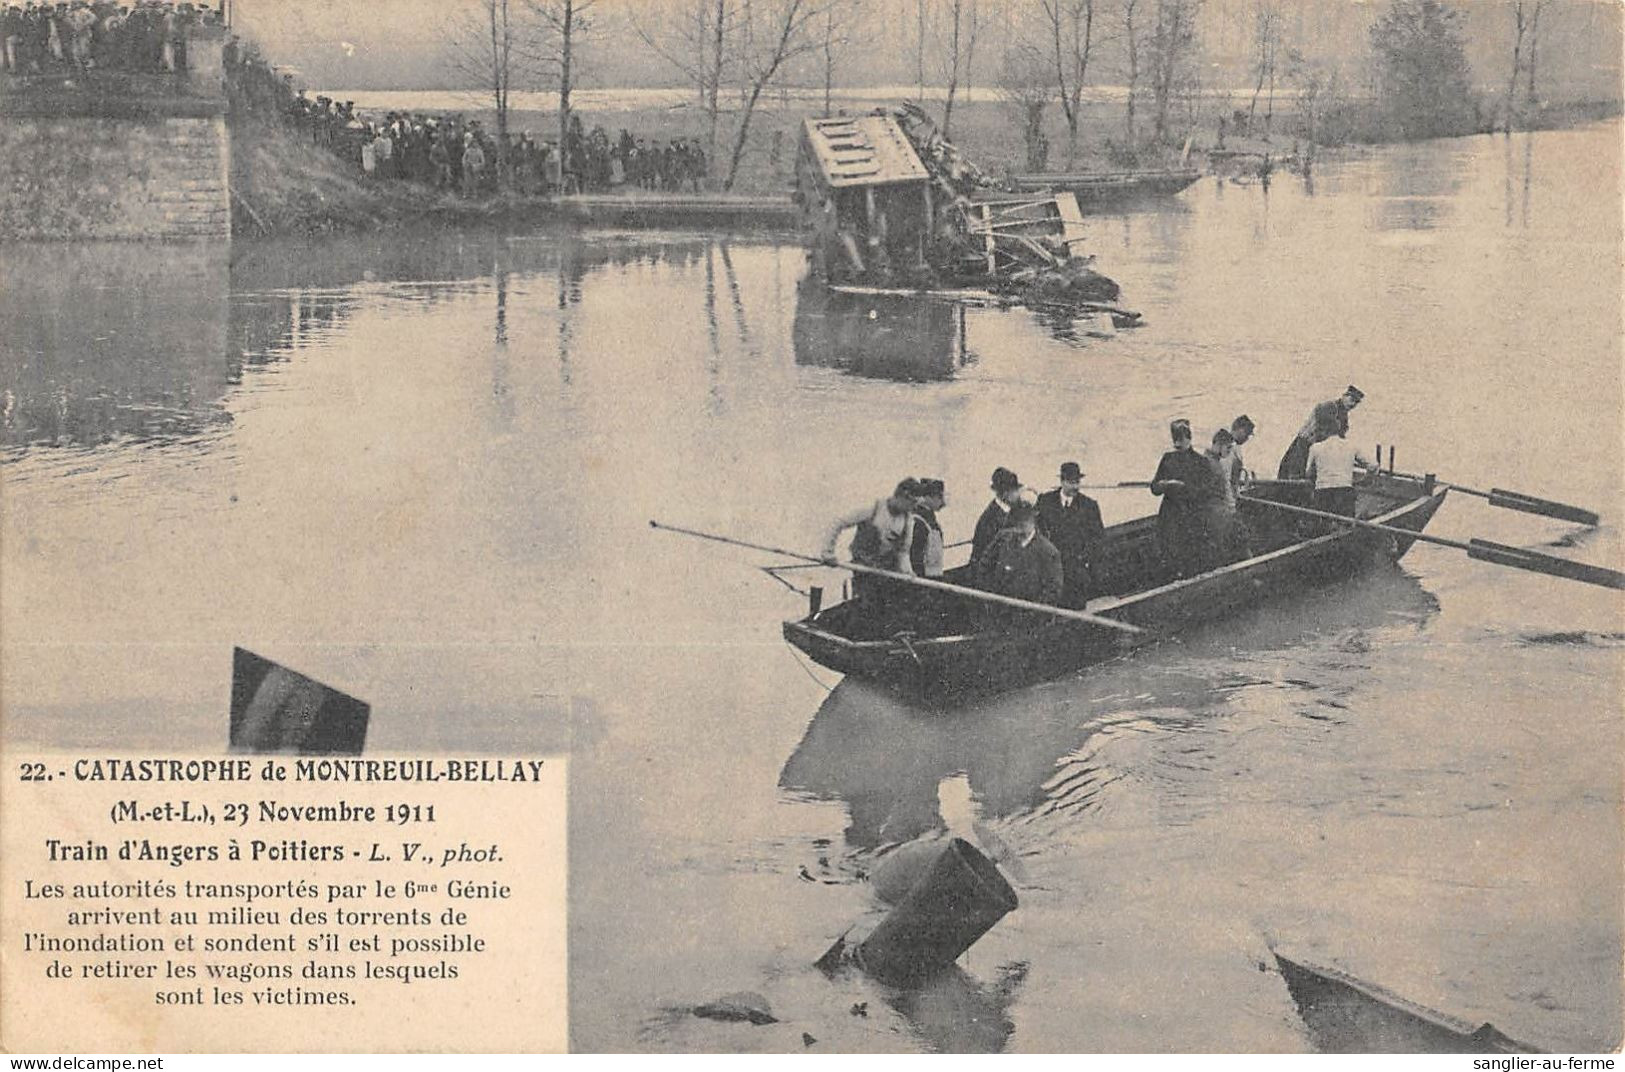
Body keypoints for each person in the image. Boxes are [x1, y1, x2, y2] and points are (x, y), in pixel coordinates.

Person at [820, 479, 921, 604]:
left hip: (886, 572)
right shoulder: (873, 508)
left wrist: (908, 573)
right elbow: (838, 523)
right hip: (863, 570)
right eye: (913, 502)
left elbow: (903, 552)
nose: (913, 507)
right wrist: (828, 553)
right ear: (902, 496)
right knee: (865, 606)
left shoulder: (908, 520)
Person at [1150, 418, 1221, 579]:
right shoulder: (1167, 459)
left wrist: (1184, 487)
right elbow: (1154, 488)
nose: (1179, 443)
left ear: (1189, 438)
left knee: (1192, 554)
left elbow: (1207, 491)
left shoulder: (1201, 462)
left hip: (1192, 515)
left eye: (1182, 439)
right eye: (1176, 439)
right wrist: (1163, 485)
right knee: (1170, 551)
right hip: (1171, 515)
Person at [977, 502, 1064, 621]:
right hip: (1001, 614)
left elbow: (1053, 591)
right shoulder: (1002, 539)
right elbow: (984, 567)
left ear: (1032, 521)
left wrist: (1029, 615)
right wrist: (991, 600)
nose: (1018, 528)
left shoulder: (1048, 552)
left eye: (1023, 522)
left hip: (1032, 621)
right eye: (1016, 523)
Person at [1035, 461, 1105, 608]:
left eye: (1077, 482)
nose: (1075, 487)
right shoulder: (1045, 502)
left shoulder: (1089, 506)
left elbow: (1098, 539)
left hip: (1077, 570)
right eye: (1070, 482)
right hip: (1052, 571)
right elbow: (1035, 531)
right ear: (1062, 481)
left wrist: (1085, 560)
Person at [1278, 386, 1363, 480]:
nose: (1353, 404)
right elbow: (1324, 433)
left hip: (1317, 449)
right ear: (1344, 396)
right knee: (1296, 475)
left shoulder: (1344, 416)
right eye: (1352, 399)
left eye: (1356, 402)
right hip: (1304, 446)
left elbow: (1339, 438)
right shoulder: (1328, 407)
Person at [1307, 424, 1375, 522]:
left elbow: (1308, 473)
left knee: (1323, 526)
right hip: (1345, 492)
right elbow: (1373, 465)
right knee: (1346, 526)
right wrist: (1365, 479)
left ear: (1323, 432)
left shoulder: (1315, 448)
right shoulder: (1352, 446)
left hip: (1323, 493)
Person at [970, 467, 1021, 569]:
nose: (1019, 494)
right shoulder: (988, 520)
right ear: (1006, 493)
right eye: (1015, 490)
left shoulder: (1016, 510)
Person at [907, 478, 946, 580]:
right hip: (925, 581)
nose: (942, 502)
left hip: (933, 577)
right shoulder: (919, 523)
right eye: (939, 497)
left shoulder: (930, 521)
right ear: (928, 497)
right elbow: (915, 560)